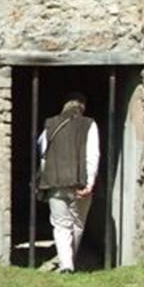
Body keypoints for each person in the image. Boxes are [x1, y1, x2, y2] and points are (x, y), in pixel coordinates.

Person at [37, 92, 100, 274]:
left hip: (54, 182)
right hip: (79, 183)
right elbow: (92, 155)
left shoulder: (50, 124)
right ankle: (70, 260)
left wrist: (46, 175)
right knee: (77, 223)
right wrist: (90, 183)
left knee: (60, 224)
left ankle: (66, 265)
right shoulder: (89, 124)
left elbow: (42, 151)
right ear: (83, 107)